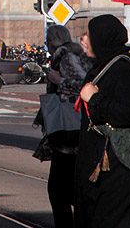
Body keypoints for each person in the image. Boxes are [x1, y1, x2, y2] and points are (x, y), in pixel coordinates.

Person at [75, 14, 130, 227]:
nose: (84, 39)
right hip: (112, 170)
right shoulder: (105, 67)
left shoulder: (120, 70)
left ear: (102, 39)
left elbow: (128, 113)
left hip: (120, 171)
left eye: (89, 35)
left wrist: (93, 98)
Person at [40, 25, 91, 228]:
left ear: (53, 40)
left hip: (68, 131)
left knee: (59, 190)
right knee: (67, 189)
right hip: (71, 129)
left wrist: (59, 81)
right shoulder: (72, 53)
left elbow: (82, 84)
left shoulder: (66, 54)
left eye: (48, 38)